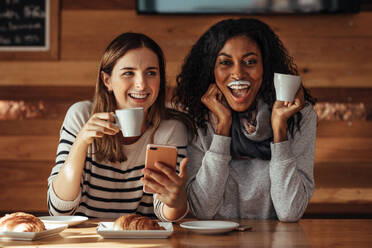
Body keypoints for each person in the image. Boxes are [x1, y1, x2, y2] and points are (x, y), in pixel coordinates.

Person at [173, 18, 317, 222]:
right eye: (225, 62)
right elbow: (203, 210)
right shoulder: (193, 116)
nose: (238, 73)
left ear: (265, 68)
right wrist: (223, 127)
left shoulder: (298, 115)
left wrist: (279, 130)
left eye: (250, 62)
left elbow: (290, 211)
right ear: (210, 69)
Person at [47, 32, 189, 221]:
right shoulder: (81, 116)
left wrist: (176, 202)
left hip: (143, 240)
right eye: (128, 73)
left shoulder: (170, 129)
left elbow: (166, 214)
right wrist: (81, 143)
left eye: (151, 73)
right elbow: (59, 210)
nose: (141, 84)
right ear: (107, 81)